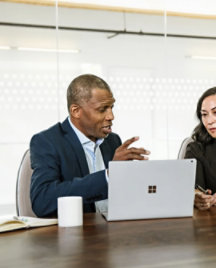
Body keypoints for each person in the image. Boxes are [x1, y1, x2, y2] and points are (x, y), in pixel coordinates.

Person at [30, 74, 150, 217]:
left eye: (111, 107)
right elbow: (42, 201)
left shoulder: (113, 141)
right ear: (76, 111)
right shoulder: (47, 141)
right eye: (102, 109)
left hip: (114, 230)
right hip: (77, 234)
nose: (111, 116)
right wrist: (108, 175)